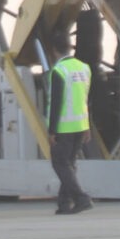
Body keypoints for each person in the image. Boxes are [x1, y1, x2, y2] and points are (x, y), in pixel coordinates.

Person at [45, 29, 94, 214]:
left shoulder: (59, 71)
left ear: (54, 51)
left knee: (60, 164)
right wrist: (88, 125)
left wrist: (52, 130)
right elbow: (86, 99)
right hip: (80, 124)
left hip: (63, 126)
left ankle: (81, 198)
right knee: (70, 164)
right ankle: (63, 203)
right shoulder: (84, 68)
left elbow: (56, 102)